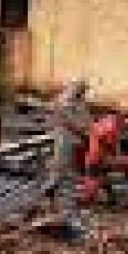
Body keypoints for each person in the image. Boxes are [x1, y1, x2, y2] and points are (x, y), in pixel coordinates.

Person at [49, 80, 92, 240]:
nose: (83, 94)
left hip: (73, 144)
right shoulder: (65, 102)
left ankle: (65, 210)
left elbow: (86, 122)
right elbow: (75, 124)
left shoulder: (78, 102)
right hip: (65, 143)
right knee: (64, 175)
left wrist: (88, 132)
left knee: (69, 177)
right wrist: (86, 134)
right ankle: (64, 213)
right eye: (82, 91)